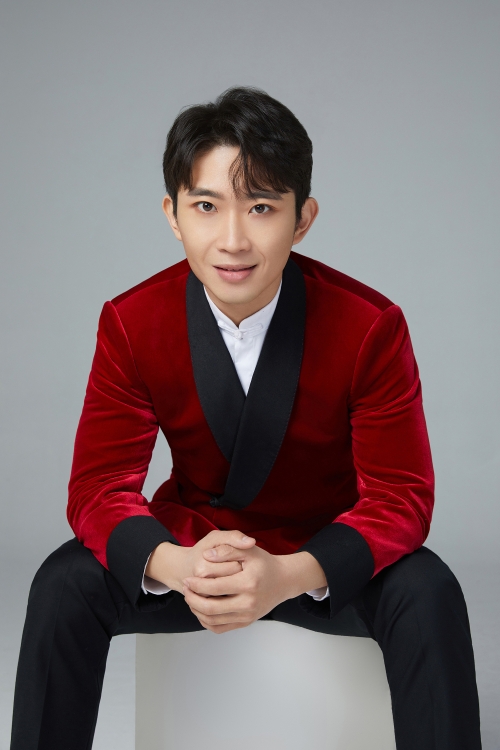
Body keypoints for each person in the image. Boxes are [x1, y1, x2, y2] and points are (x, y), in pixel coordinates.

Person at [10, 87, 481, 750]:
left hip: (320, 556)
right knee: (62, 584)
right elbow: (98, 487)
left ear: (303, 218)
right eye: (206, 206)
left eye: (261, 207)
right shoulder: (132, 322)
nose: (233, 241)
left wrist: (290, 574)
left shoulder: (369, 326)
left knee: (430, 591)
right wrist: (176, 566)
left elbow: (402, 496)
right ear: (173, 215)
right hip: (195, 555)